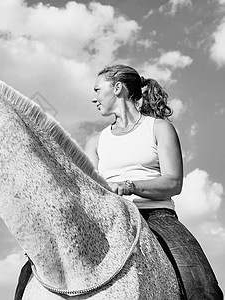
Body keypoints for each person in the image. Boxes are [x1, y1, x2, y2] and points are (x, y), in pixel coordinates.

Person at [83, 64, 223, 299]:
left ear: (117, 88)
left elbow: (173, 183)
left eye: (98, 90)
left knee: (202, 286)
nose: (94, 98)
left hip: (157, 215)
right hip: (110, 217)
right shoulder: (95, 141)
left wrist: (129, 186)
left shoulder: (158, 128)